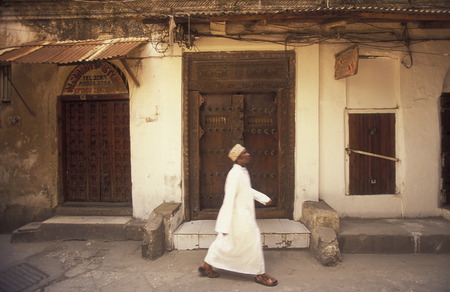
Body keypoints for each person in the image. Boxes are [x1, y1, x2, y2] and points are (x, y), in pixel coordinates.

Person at [198, 144, 278, 287]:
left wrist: (263, 198)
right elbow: (228, 199)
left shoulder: (242, 171)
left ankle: (206, 265)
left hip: (244, 214)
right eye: (244, 153)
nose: (248, 154)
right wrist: (223, 223)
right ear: (238, 158)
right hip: (238, 217)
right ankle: (260, 274)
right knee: (251, 240)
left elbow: (246, 190)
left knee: (226, 242)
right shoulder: (234, 174)